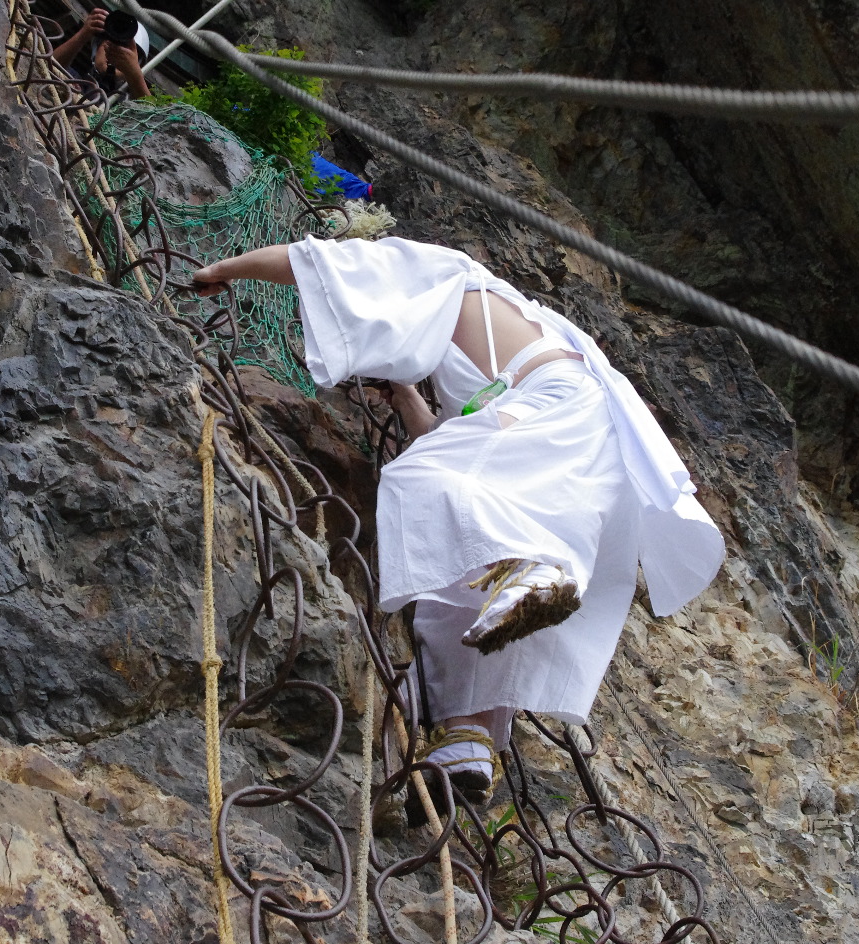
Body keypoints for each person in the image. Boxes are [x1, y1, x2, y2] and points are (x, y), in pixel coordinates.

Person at [192, 236, 725, 811]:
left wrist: (227, 269)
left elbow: (321, 263)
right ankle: (465, 740)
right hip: (579, 428)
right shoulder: (503, 341)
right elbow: (455, 444)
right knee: (452, 574)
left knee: (415, 481)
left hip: (551, 404)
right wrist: (403, 396)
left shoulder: (444, 275)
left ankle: (533, 567)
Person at [51, 6, 151, 99]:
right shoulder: (73, 81)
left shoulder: (128, 108)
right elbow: (46, 66)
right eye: (111, 44)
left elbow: (152, 114)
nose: (116, 53)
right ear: (97, 48)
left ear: (138, 64)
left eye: (125, 49)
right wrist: (83, 34)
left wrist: (133, 73)